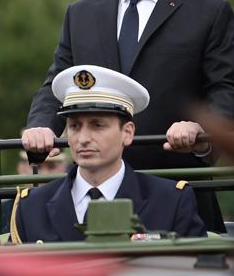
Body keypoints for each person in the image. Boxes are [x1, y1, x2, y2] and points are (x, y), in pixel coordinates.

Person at [23, 0, 234, 231]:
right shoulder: (81, 14)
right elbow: (57, 84)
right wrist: (39, 126)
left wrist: (200, 129)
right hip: (93, 194)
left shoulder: (208, 12)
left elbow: (226, 90)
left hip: (176, 194)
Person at [11, 66, 206, 244]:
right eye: (74, 126)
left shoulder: (170, 201)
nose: (83, 138)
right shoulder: (32, 207)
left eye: (97, 125)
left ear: (127, 133)